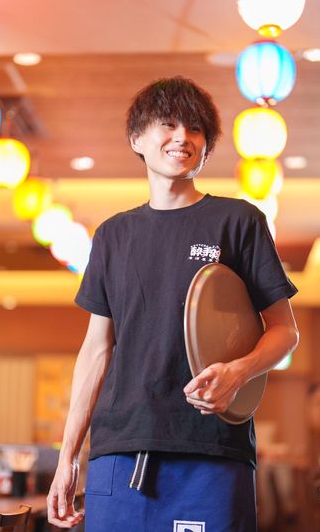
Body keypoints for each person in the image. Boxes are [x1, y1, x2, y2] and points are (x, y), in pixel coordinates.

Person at [47, 76, 299, 531]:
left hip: (211, 447)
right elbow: (96, 350)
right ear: (137, 139)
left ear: (206, 148)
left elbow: (285, 331)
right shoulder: (112, 235)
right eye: (168, 124)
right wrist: (68, 458)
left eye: (195, 128)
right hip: (119, 450)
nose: (183, 136)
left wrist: (238, 372)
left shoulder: (238, 221)